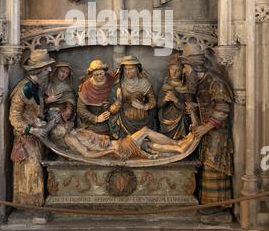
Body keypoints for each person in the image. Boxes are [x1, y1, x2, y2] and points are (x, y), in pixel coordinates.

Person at [181, 43, 234, 214]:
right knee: (205, 164)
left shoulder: (215, 81)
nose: (184, 72)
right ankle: (208, 203)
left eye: (186, 68)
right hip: (206, 131)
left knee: (214, 165)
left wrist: (206, 127)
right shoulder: (198, 82)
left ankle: (217, 205)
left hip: (217, 133)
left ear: (196, 68)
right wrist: (195, 120)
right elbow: (196, 102)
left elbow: (222, 109)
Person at [9, 49, 55, 206]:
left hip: (36, 138)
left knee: (37, 172)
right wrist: (32, 128)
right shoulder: (24, 88)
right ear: (38, 70)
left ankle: (36, 204)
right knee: (30, 173)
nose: (49, 70)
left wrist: (38, 120)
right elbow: (14, 117)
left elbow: (33, 109)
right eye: (46, 67)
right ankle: (27, 205)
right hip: (25, 139)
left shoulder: (36, 86)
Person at [64, 125, 195, 161]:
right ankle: (177, 143)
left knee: (147, 144)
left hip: (120, 144)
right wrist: (110, 151)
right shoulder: (70, 138)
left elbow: (100, 137)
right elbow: (86, 154)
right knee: (145, 131)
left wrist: (104, 137)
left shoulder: (79, 130)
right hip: (121, 150)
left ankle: (179, 149)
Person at [112, 55, 157, 137]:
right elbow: (111, 109)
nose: (127, 72)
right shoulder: (119, 84)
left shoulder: (144, 83)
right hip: (124, 120)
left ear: (137, 69)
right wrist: (118, 103)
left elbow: (153, 101)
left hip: (143, 120)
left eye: (131, 69)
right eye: (125, 69)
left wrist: (144, 107)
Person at [77, 60, 120, 135]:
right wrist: (96, 118)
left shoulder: (111, 80)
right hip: (92, 120)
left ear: (104, 72)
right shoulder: (86, 86)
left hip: (111, 117)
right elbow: (81, 109)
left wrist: (113, 107)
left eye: (101, 73)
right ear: (92, 75)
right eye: (96, 75)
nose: (99, 76)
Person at [158, 53, 192, 140]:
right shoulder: (165, 85)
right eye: (172, 69)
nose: (174, 72)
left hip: (180, 122)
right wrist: (165, 100)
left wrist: (175, 100)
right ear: (169, 70)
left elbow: (188, 109)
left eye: (178, 70)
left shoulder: (185, 87)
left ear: (182, 72)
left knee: (180, 143)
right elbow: (158, 105)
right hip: (165, 120)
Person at [45, 62, 76, 144]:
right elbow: (39, 101)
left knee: (58, 132)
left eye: (66, 73)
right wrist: (48, 100)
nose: (64, 75)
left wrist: (62, 115)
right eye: (62, 71)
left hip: (61, 116)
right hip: (46, 113)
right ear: (56, 71)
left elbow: (70, 107)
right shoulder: (47, 84)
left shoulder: (67, 88)